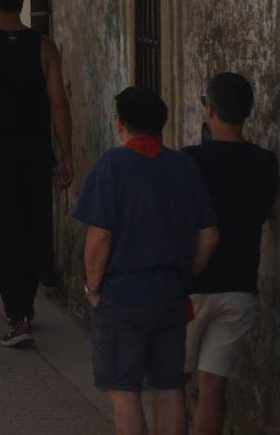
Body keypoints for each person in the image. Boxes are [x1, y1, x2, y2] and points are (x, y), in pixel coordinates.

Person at [72, 86, 219, 435]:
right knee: (169, 390)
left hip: (123, 295)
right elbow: (210, 234)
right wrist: (185, 276)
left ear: (120, 123)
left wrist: (93, 288)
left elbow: (99, 238)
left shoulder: (112, 164)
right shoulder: (184, 165)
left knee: (124, 393)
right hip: (170, 295)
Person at [0, 0, 73, 348]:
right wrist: (66, 155)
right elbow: (59, 105)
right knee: (30, 230)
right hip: (34, 153)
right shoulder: (44, 47)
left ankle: (17, 317)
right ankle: (24, 308)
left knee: (4, 233)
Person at [181, 72, 278, 435]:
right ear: (248, 112)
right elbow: (264, 213)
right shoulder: (265, 161)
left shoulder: (189, 160)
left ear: (209, 110)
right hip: (240, 287)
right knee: (213, 388)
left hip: (193, 285)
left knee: (174, 383)